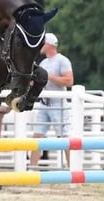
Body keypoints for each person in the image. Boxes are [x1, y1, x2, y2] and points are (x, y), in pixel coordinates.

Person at [29, 33, 74, 168]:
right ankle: (32, 169)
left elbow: (69, 81)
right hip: (44, 102)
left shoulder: (62, 60)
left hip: (58, 104)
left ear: (49, 45)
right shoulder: (43, 62)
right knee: (37, 136)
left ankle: (73, 168)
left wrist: (49, 76)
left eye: (42, 43)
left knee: (64, 137)